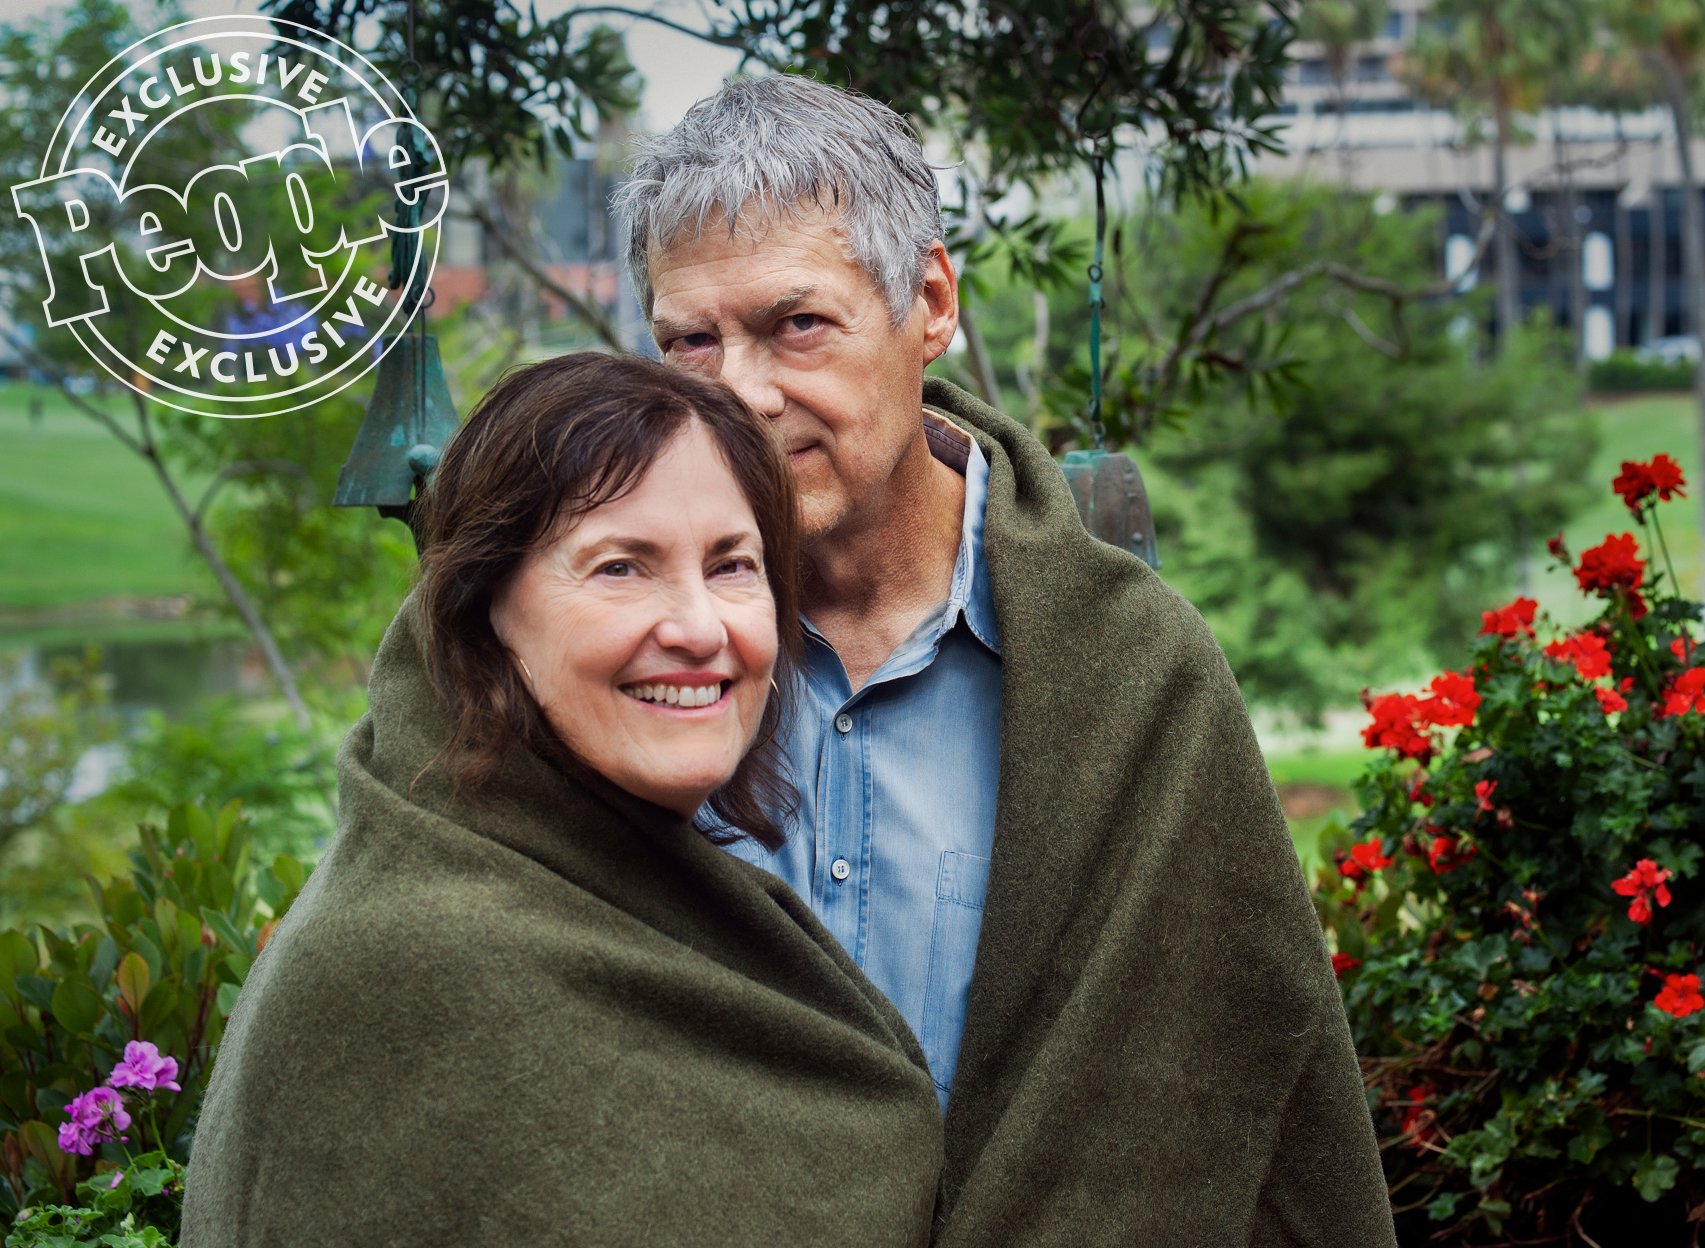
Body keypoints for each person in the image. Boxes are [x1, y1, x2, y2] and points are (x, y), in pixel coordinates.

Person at [616, 77, 1397, 1244]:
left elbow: (1219, 1090)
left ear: (930, 303)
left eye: (797, 324)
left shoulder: (1136, 671)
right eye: (691, 340)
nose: (742, 393)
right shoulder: (613, 657)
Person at [179, 353, 943, 1246]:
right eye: (621, 567)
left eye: (733, 565)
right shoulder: (406, 968)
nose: (699, 628)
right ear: (485, 609)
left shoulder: (652, 886)